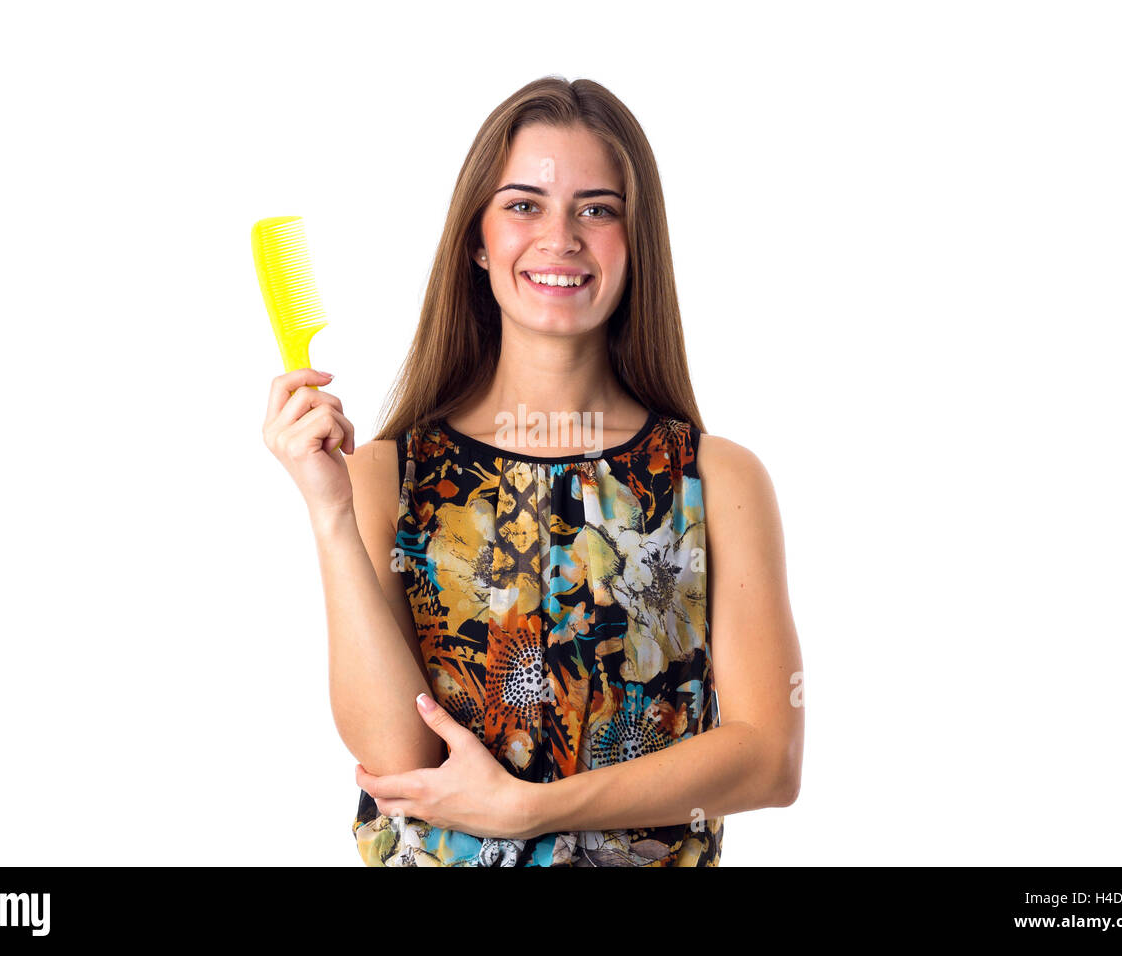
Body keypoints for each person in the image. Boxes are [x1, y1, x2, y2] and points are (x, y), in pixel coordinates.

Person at [261, 75, 803, 866]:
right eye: (524, 205)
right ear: (478, 240)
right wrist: (330, 513)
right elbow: (397, 757)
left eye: (597, 208)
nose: (562, 237)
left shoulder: (717, 480)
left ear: (635, 239)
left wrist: (531, 810)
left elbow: (770, 760)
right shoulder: (386, 476)